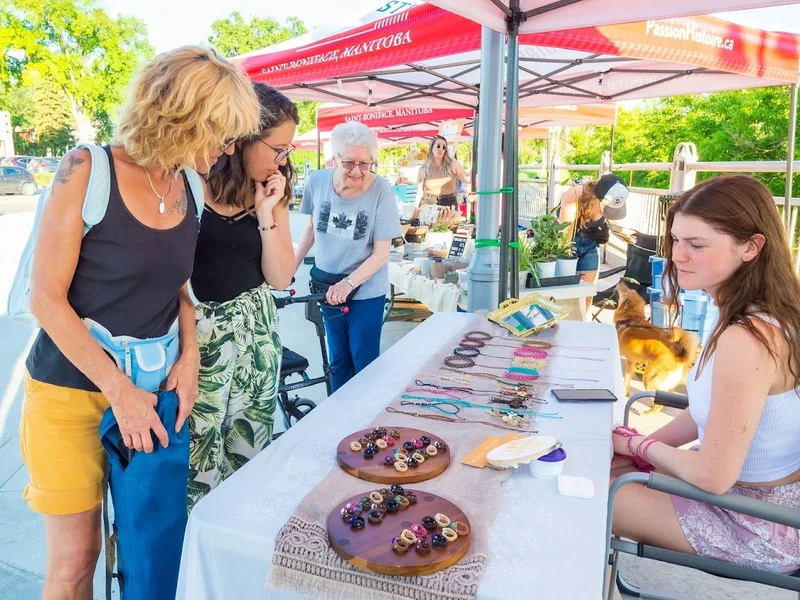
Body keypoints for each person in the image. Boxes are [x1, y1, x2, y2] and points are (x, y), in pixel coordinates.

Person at [20, 46, 260, 598]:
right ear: (182, 118)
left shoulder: (191, 187)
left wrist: (191, 355)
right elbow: (45, 299)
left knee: (148, 547)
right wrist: (118, 391)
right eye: (222, 135)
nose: (227, 151)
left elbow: (179, 288)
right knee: (76, 560)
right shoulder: (87, 169)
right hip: (70, 390)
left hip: (151, 389)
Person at [609, 174, 800, 588]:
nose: (679, 256)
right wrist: (639, 452)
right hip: (744, 499)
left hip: (758, 521)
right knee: (604, 465)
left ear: (751, 247)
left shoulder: (747, 336)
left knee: (592, 493)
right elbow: (703, 413)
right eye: (676, 241)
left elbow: (714, 475)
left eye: (697, 245)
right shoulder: (742, 308)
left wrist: (639, 444)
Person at [188, 83, 297, 509]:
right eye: (278, 148)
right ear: (244, 138)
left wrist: (267, 212)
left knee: (249, 452)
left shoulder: (272, 190)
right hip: (199, 341)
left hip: (255, 337)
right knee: (198, 463)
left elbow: (280, 275)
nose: (283, 160)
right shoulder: (190, 184)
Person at [294, 121, 401, 392]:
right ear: (335, 158)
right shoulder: (316, 181)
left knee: (364, 362)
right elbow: (310, 230)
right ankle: (339, 422)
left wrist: (348, 284)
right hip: (327, 287)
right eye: (350, 162)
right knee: (338, 359)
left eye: (365, 164)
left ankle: (365, 425)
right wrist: (289, 267)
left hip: (365, 291)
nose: (357, 171)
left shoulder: (381, 191)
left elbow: (381, 253)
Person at [415, 135, 470, 209]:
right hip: (429, 203)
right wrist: (415, 208)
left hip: (449, 203)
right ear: (432, 147)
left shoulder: (452, 164)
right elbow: (419, 192)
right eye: (438, 146)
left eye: (444, 147)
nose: (441, 149)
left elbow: (467, 179)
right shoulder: (424, 169)